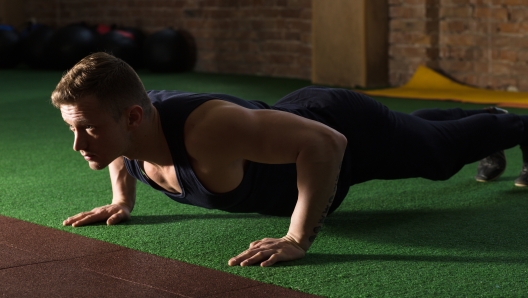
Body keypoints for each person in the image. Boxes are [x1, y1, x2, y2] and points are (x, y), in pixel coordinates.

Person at [53, 52, 528, 267]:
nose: (79, 144)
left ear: (134, 116)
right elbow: (121, 149)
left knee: (437, 155)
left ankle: (514, 124)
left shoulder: (208, 129)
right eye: (72, 127)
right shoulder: (127, 129)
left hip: (340, 128)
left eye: (88, 128)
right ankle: (482, 118)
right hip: (293, 134)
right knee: (420, 136)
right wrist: (122, 199)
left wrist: (297, 238)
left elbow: (327, 145)